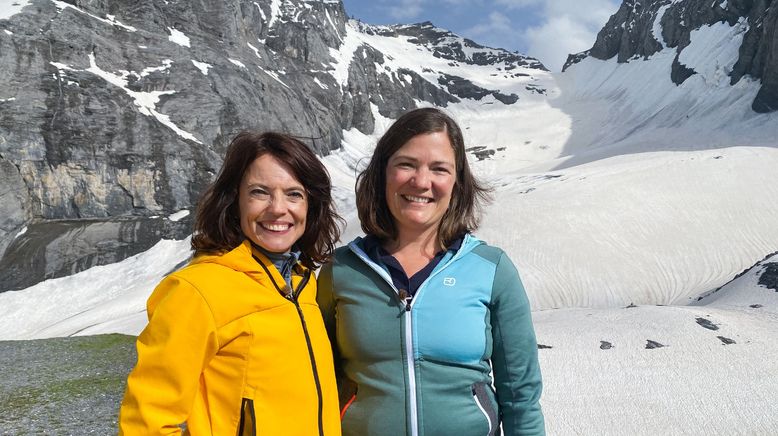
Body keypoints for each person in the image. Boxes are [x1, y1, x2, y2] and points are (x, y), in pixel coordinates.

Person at [317, 108, 545, 436]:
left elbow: (521, 396)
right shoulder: (340, 271)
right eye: (406, 164)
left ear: (457, 182)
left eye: (439, 169)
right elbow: (316, 382)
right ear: (383, 173)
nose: (421, 182)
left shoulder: (491, 269)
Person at [119, 131, 343, 436]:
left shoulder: (304, 282)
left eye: (294, 194)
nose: (278, 208)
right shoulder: (196, 290)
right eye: (260, 192)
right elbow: (146, 423)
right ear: (234, 201)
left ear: (310, 207)